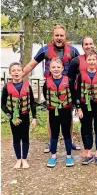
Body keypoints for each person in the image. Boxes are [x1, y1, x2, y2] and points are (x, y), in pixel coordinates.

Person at [23, 24, 81, 153]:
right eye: (57, 35)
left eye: (61, 35)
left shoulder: (73, 51)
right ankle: (51, 142)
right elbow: (31, 65)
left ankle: (69, 140)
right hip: (50, 88)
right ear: (53, 36)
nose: (59, 38)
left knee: (68, 116)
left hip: (67, 89)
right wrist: (19, 75)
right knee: (50, 115)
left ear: (65, 36)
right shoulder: (45, 50)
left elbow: (82, 67)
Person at [68, 36, 97, 157]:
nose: (88, 46)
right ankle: (87, 149)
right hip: (84, 99)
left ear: (94, 45)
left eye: (91, 44)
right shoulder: (76, 61)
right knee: (86, 125)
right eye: (86, 44)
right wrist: (76, 103)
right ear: (82, 46)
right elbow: (71, 81)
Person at [75, 48, 97, 165]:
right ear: (85, 60)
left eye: (94, 59)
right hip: (85, 106)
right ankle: (89, 152)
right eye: (89, 59)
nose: (92, 61)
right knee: (87, 129)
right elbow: (77, 93)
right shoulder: (80, 75)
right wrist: (78, 108)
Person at [1, 62, 37, 169]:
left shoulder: (27, 86)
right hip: (13, 117)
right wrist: (11, 116)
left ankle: (24, 159)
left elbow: (32, 103)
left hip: (25, 116)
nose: (16, 72)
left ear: (22, 72)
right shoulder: (6, 87)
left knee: (25, 138)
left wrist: (34, 117)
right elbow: (2, 104)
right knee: (16, 138)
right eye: (13, 71)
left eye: (18, 70)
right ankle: (18, 159)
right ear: (10, 73)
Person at [43, 58, 75, 167]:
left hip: (65, 111)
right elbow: (45, 94)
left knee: (66, 133)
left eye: (58, 67)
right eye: (53, 67)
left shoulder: (69, 80)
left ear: (62, 68)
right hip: (53, 112)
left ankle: (69, 156)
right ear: (50, 69)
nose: (56, 69)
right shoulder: (47, 82)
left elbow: (73, 94)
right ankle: (53, 156)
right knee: (54, 134)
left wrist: (73, 106)